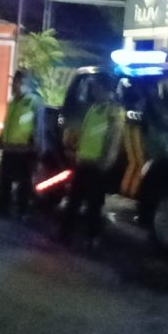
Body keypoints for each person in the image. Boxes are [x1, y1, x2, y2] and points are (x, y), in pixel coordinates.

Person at [60, 75, 124, 244]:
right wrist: (77, 153)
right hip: (84, 162)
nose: (93, 91)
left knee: (94, 206)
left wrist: (105, 163)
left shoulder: (114, 113)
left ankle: (92, 239)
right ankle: (65, 234)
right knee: (74, 201)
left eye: (96, 87)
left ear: (106, 89)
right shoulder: (93, 109)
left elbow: (113, 141)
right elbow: (86, 134)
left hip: (98, 166)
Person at [0, 70, 43, 219]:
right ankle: (2, 210)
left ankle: (22, 212)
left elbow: (39, 126)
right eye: (13, 82)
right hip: (9, 148)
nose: (13, 86)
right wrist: (0, 141)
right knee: (4, 180)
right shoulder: (13, 102)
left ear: (24, 83)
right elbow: (8, 124)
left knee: (24, 183)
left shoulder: (34, 102)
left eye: (15, 82)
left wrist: (37, 147)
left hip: (25, 150)